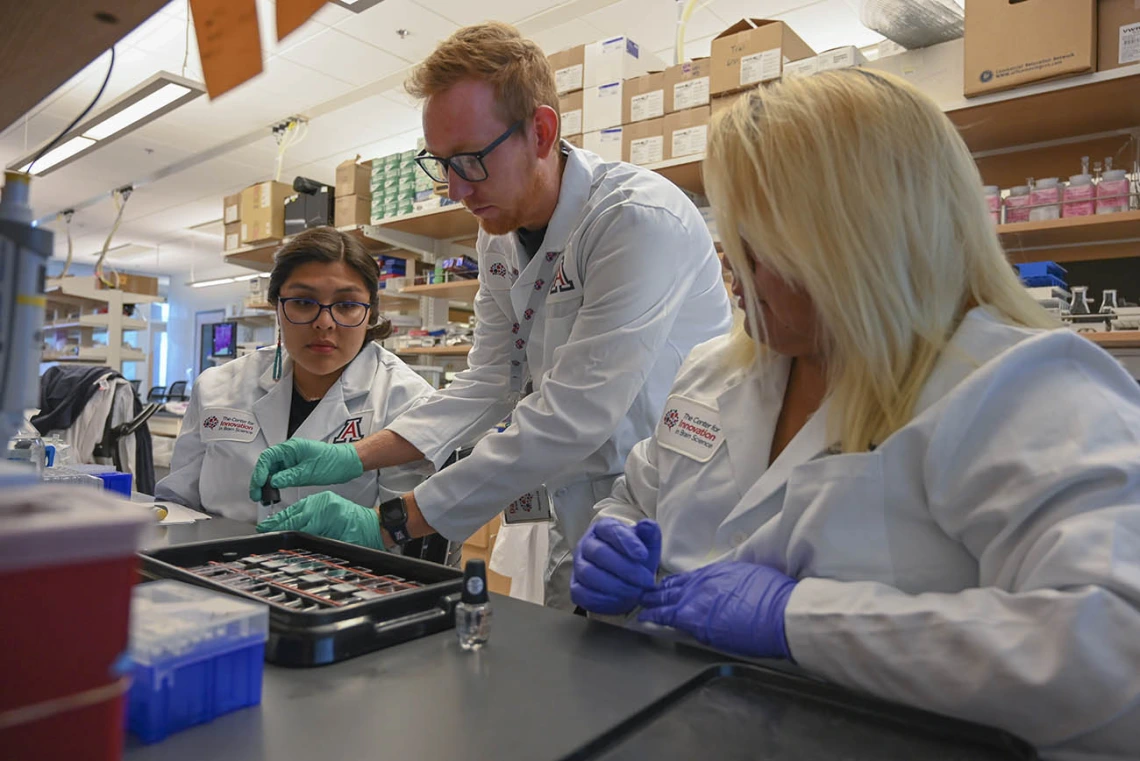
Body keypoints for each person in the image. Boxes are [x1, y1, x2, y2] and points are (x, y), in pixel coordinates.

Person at [570, 70, 1140, 759]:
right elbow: (637, 496)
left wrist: (798, 619)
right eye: (727, 239)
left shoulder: (1021, 385)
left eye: (755, 244)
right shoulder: (717, 370)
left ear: (852, 242)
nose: (729, 267)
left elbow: (1112, 651)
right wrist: (613, 537)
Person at [248, 22, 732, 607]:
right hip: (574, 501)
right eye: (441, 163)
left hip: (665, 515)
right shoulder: (497, 236)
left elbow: (577, 411)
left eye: (470, 159)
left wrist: (394, 520)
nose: (455, 188)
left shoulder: (635, 219)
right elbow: (491, 382)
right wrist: (353, 454)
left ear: (542, 132)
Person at [156, 226, 435, 532]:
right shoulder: (216, 386)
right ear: (277, 306)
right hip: (213, 564)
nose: (324, 323)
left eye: (347, 305)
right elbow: (178, 503)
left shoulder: (404, 398)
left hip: (340, 575)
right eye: (303, 302)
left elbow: (406, 535)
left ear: (369, 314)